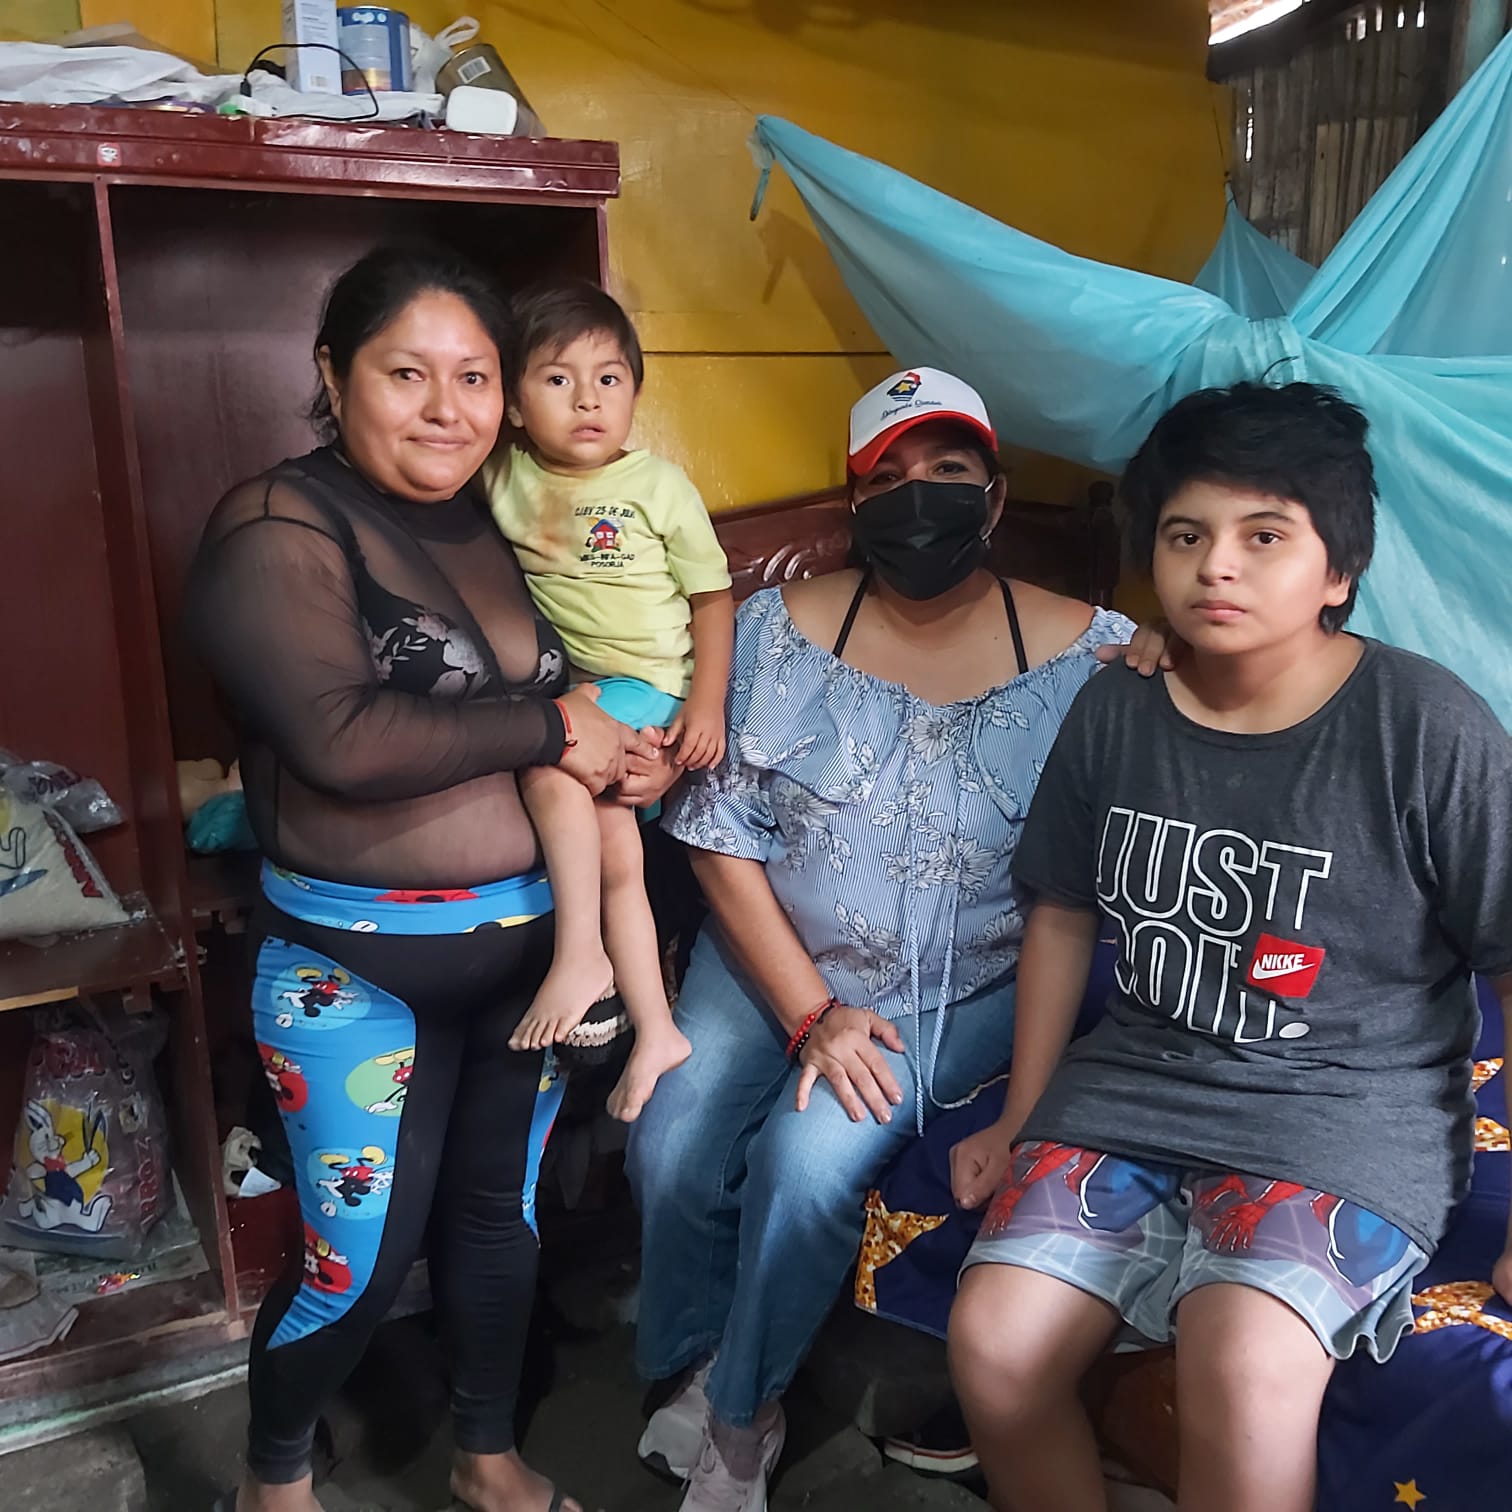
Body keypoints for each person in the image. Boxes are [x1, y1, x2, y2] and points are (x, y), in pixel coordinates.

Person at [947, 381, 1512, 1512]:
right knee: (994, 1344)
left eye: (1265, 537)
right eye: (1185, 535)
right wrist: (1022, 1115)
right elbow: (1064, 909)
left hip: (1344, 1109)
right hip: (1135, 1085)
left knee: (1243, 1365)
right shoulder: (1119, 708)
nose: (1217, 567)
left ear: (1339, 572)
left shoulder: (1424, 724)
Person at [627, 367, 1169, 1512]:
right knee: (671, 1140)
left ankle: (742, 1420)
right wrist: (810, 1013)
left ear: (995, 495)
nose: (920, 496)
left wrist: (1181, 666)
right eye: (889, 478)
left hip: (964, 981)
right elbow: (716, 836)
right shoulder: (772, 634)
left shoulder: (1097, 657)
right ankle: (697, 1358)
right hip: (767, 954)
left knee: (806, 1160)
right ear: (854, 502)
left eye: (949, 470)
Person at [185, 245, 670, 1512]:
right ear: (333, 372)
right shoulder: (278, 522)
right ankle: (273, 1481)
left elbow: (584, 695)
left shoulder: (502, 519)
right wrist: (557, 727)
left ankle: (486, 1457)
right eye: (407, 374)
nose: (446, 408)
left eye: (475, 377)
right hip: (354, 972)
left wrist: (627, 755)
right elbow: (342, 740)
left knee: (500, 1228)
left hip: (528, 963)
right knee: (356, 1261)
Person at [486, 280, 735, 1123]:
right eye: (557, 380)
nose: (587, 400)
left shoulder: (657, 485)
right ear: (512, 402)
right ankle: (657, 1029)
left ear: (634, 391)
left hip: (648, 684)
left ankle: (579, 953)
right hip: (586, 686)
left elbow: (712, 599)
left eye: (609, 379)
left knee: (549, 766)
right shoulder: (503, 475)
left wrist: (705, 706)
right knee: (614, 846)